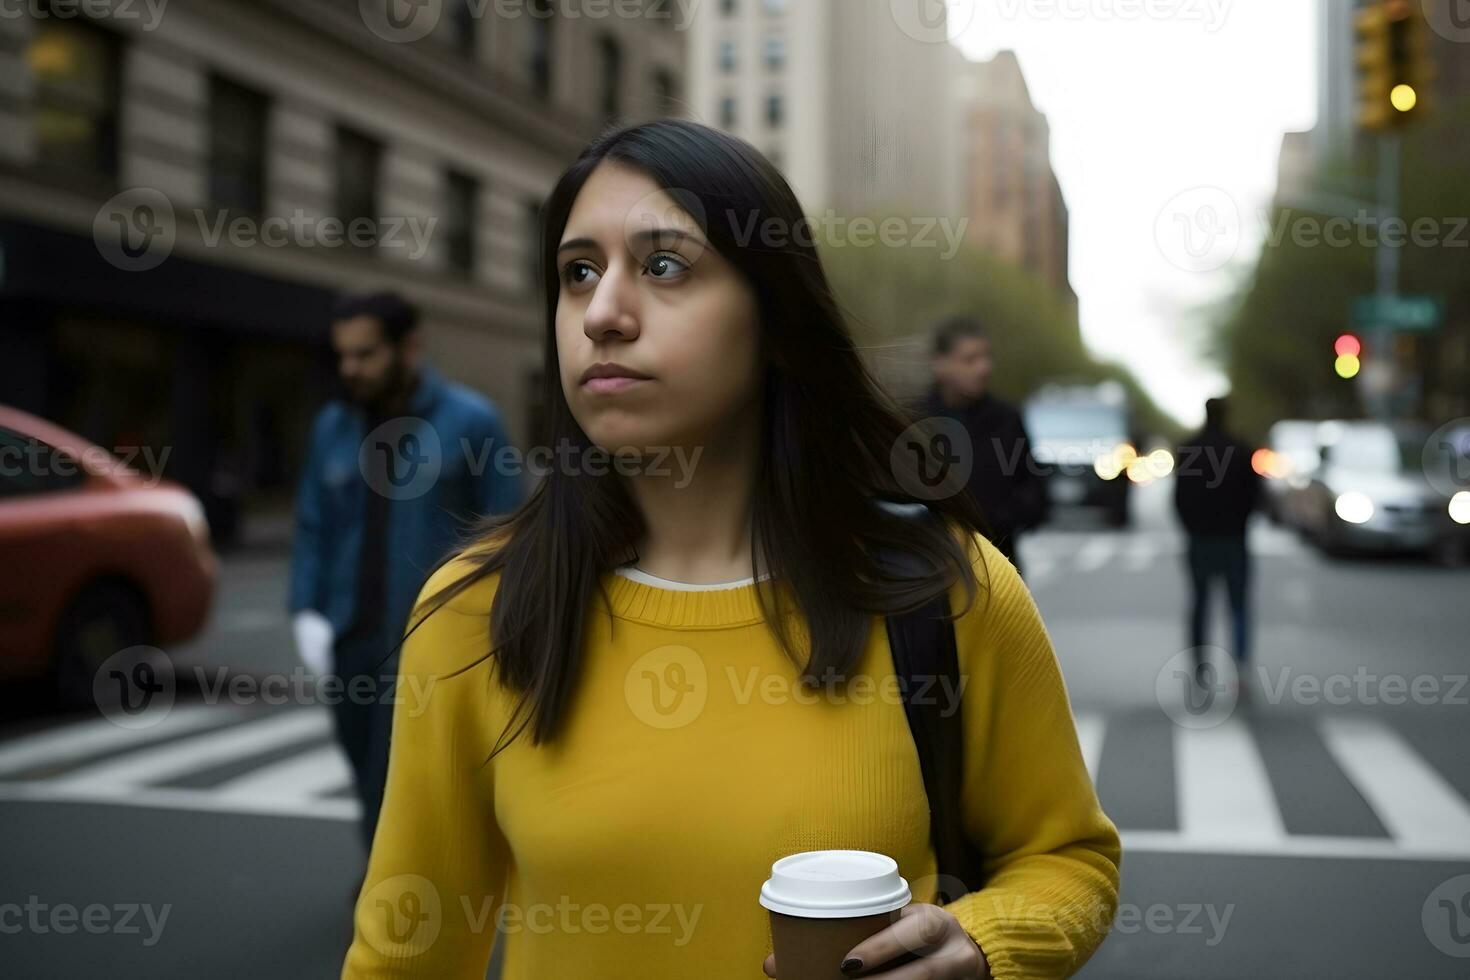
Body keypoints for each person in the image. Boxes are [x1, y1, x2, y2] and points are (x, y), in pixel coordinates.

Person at [341, 121, 1119, 979]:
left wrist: (982, 944)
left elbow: (1069, 859)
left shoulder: (946, 589)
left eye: (664, 264)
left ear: (776, 321)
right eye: (577, 273)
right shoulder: (473, 609)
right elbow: (403, 951)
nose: (602, 314)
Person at [288, 290, 522, 853]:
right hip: (350, 636)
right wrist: (306, 612)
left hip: (430, 639)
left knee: (400, 775)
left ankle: (387, 891)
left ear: (408, 347)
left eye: (366, 354)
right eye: (343, 355)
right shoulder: (334, 426)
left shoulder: (472, 421)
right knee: (361, 759)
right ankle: (388, 877)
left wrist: (491, 631)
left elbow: (506, 532)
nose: (351, 368)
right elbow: (313, 523)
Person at [918, 317, 1050, 576]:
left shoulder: (1006, 419)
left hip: (998, 568)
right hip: (931, 573)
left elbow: (1033, 485)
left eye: (986, 357)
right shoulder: (915, 422)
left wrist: (1002, 518)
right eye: (969, 359)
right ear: (940, 364)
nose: (983, 368)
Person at [1173, 396, 1261, 697]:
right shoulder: (1241, 449)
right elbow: (1254, 496)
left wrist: (1192, 528)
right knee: (1237, 605)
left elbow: (1179, 498)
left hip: (1200, 539)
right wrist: (1240, 524)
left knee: (1200, 603)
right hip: (1234, 539)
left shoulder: (1188, 450)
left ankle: (1200, 670)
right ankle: (1241, 669)